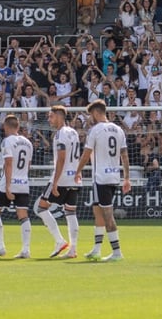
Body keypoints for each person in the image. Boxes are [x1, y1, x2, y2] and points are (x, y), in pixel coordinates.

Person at [74, 100, 129, 262]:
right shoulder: (118, 130)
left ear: (96, 113)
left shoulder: (95, 130)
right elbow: (124, 155)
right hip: (113, 176)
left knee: (107, 215)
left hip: (101, 178)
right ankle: (97, 249)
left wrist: (77, 171)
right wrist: (126, 178)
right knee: (97, 211)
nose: (91, 118)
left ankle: (117, 252)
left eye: (91, 114)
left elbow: (86, 154)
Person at [35, 105, 80, 259]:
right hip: (74, 178)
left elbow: (61, 158)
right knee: (70, 212)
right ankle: (73, 249)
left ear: (59, 116)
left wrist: (55, 183)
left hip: (61, 178)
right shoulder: (74, 132)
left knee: (41, 208)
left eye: (51, 116)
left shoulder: (60, 134)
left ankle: (60, 241)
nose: (49, 119)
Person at [0, 114, 34, 259]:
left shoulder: (8, 141)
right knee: (23, 215)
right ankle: (26, 249)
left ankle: (0, 246)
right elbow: (28, 165)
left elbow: (8, 163)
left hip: (9, 182)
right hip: (24, 183)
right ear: (18, 126)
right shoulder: (28, 142)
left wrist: (7, 186)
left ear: (6, 127)